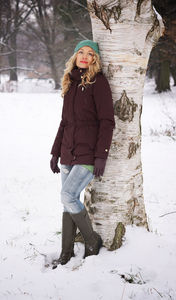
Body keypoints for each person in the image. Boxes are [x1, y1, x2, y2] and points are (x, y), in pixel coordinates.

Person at [50, 40, 115, 267]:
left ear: (95, 59)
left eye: (90, 53)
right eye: (81, 52)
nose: (85, 56)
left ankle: (92, 240)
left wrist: (101, 156)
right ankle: (65, 253)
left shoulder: (99, 83)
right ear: (75, 56)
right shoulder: (70, 83)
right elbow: (64, 122)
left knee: (67, 197)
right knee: (68, 201)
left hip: (87, 155)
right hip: (68, 153)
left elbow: (107, 122)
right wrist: (55, 153)